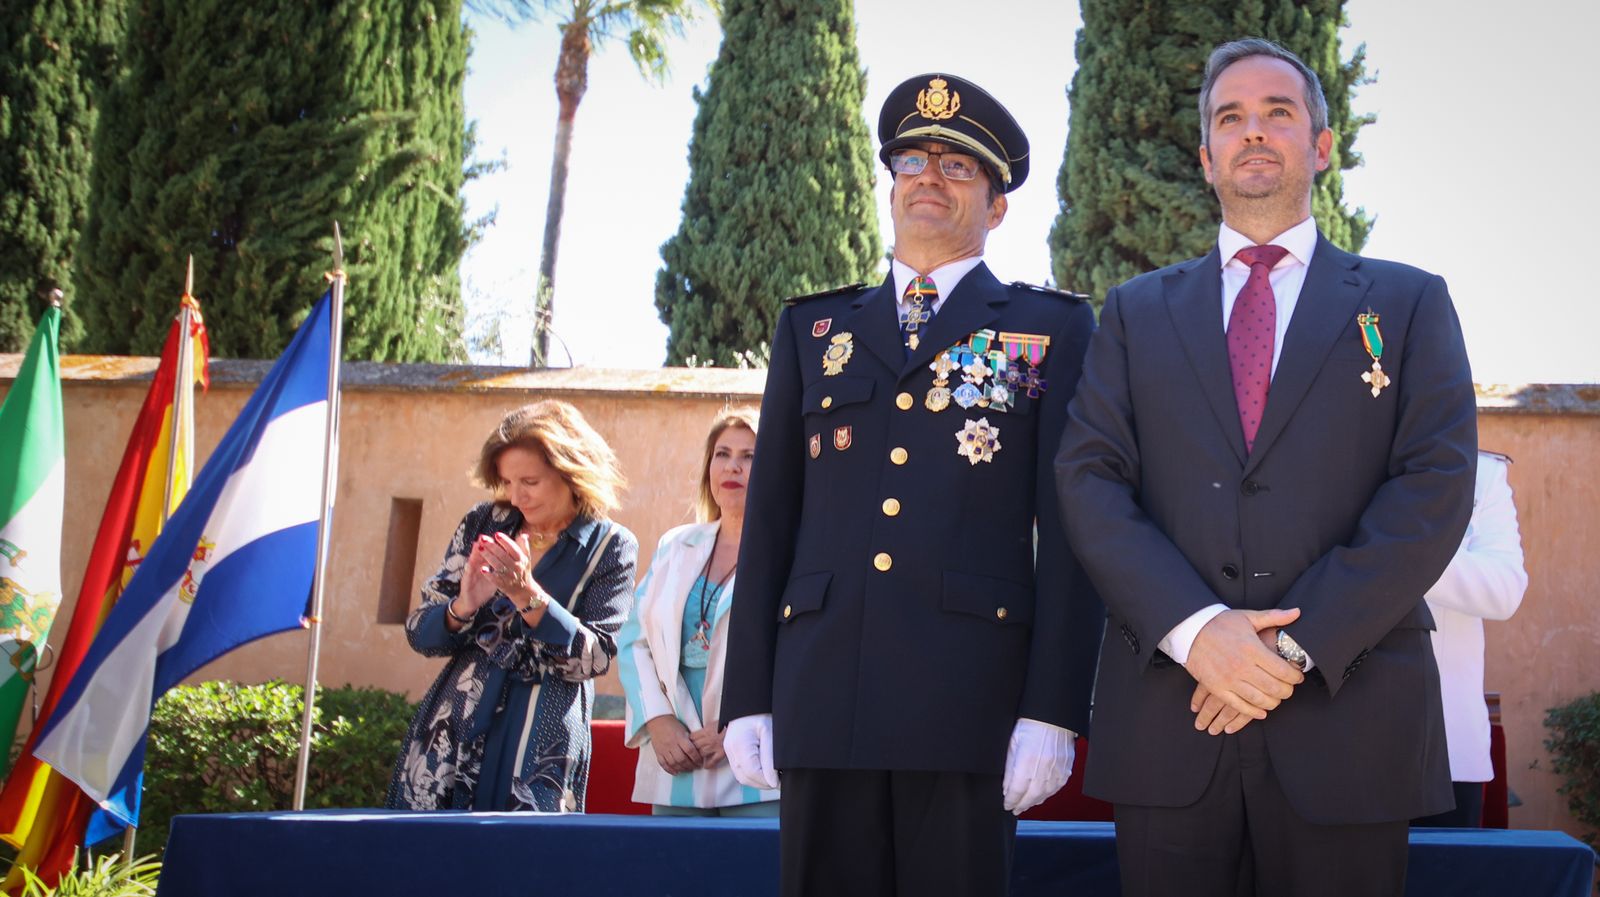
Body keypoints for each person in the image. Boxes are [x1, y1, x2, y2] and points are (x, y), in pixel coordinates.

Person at [1056, 37, 1478, 897]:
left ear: (1321, 146)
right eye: (1230, 118)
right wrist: (1197, 630)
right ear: (1206, 158)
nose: (1253, 131)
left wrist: (1289, 646)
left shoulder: (1408, 302)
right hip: (1173, 716)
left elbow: (1434, 486)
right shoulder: (1134, 312)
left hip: (1349, 721)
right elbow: (1089, 479)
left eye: (1277, 113)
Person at [720, 73, 1102, 897]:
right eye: (912, 161)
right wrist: (747, 691)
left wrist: (1053, 707)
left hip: (967, 701)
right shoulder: (814, 328)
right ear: (891, 184)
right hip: (823, 695)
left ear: (998, 206)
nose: (930, 177)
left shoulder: (1049, 328)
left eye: (958, 166)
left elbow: (1074, 532)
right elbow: (771, 519)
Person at [386, 400, 637, 813]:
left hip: (541, 737)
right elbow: (420, 634)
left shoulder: (611, 546)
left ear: (572, 472)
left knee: (526, 850)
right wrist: (463, 606)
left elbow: (595, 659)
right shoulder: (484, 521)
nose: (517, 496)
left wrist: (526, 595)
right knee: (431, 851)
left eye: (530, 481)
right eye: (507, 481)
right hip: (454, 728)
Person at [617, 407, 780, 816]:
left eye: (749, 456)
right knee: (674, 861)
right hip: (676, 762)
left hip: (755, 766)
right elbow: (634, 641)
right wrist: (658, 722)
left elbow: (805, 653)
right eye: (722, 454)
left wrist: (740, 723)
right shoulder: (675, 545)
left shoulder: (793, 553)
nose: (732, 467)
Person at [1412, 450, 1527, 828]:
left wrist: (1403, 551)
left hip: (1447, 748)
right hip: (1337, 746)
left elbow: (1504, 591)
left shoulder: (1482, 473)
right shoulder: (1328, 462)